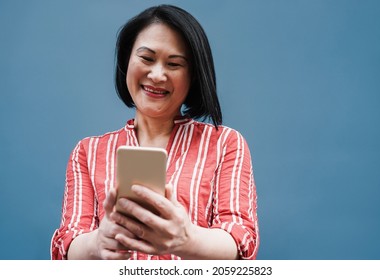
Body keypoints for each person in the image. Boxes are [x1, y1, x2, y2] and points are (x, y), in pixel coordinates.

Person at [51, 4, 259, 260]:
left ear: (193, 76)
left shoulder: (225, 144)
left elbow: (240, 240)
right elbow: (67, 246)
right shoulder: (87, 152)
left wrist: (187, 239)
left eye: (174, 64)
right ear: (127, 60)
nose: (157, 75)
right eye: (147, 58)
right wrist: (97, 243)